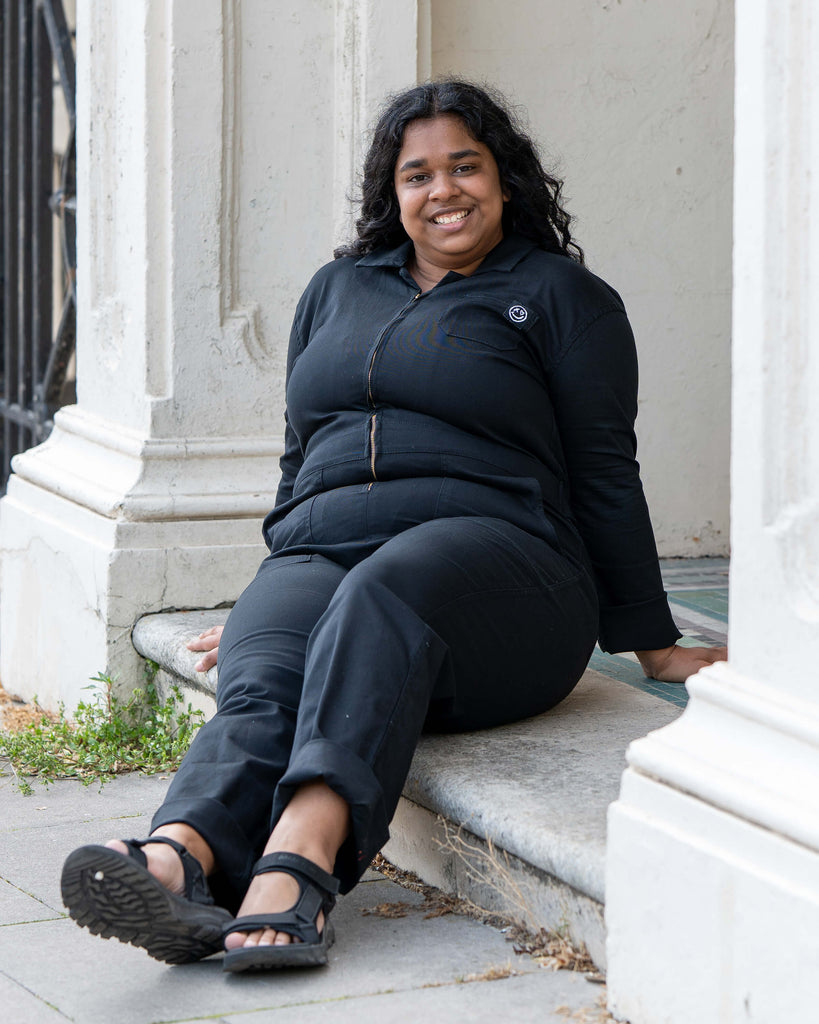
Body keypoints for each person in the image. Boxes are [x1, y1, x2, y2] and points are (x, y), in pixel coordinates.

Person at [60, 79, 726, 974]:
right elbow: (302, 456)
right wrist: (280, 599)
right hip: (326, 557)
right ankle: (178, 856)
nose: (443, 190)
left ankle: (301, 859)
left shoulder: (563, 297)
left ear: (506, 180)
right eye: (418, 174)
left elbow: (605, 471)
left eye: (465, 167)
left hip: (508, 577)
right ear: (393, 192)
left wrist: (650, 641)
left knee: (386, 589)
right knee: (266, 670)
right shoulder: (337, 290)